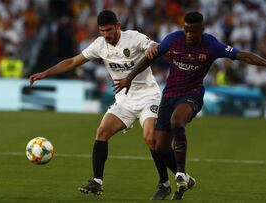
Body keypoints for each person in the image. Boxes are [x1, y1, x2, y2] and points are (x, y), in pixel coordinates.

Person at [113, 11, 266, 200]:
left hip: (192, 94)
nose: (189, 35)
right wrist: (129, 78)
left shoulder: (211, 44)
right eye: (186, 31)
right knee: (159, 146)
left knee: (177, 121)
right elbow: (150, 58)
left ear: (202, 29)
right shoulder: (173, 40)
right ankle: (186, 179)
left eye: (193, 31)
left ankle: (181, 175)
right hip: (169, 95)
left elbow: (243, 56)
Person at [29, 10, 184, 200]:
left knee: (150, 138)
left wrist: (153, 47)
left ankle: (165, 182)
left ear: (118, 25)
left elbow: (152, 45)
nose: (106, 35)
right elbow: (72, 62)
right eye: (102, 31)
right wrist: (45, 73)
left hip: (148, 97)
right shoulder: (100, 45)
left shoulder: (133, 37)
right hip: (124, 100)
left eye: (109, 30)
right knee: (102, 131)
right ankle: (97, 182)